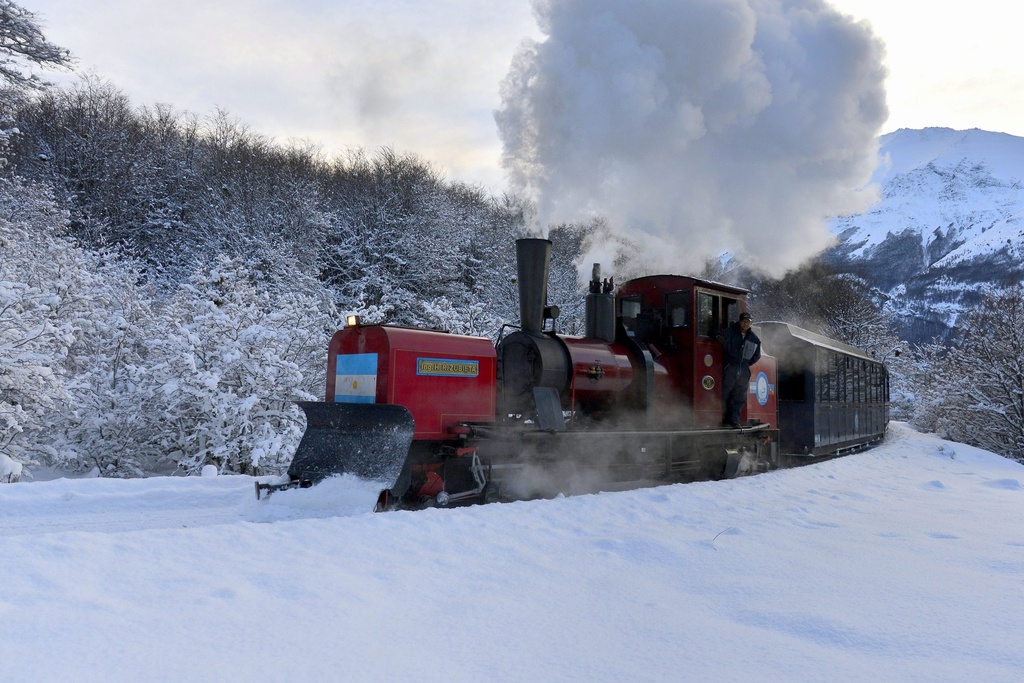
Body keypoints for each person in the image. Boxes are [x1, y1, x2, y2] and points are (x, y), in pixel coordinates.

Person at [718, 311, 761, 427]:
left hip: (743, 370)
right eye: (743, 321)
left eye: (748, 322)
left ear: (751, 323)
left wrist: (745, 364)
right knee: (724, 393)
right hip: (730, 367)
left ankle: (734, 420)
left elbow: (757, 356)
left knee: (739, 396)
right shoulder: (729, 332)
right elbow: (716, 334)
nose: (745, 324)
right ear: (739, 321)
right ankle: (719, 418)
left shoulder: (754, 339)